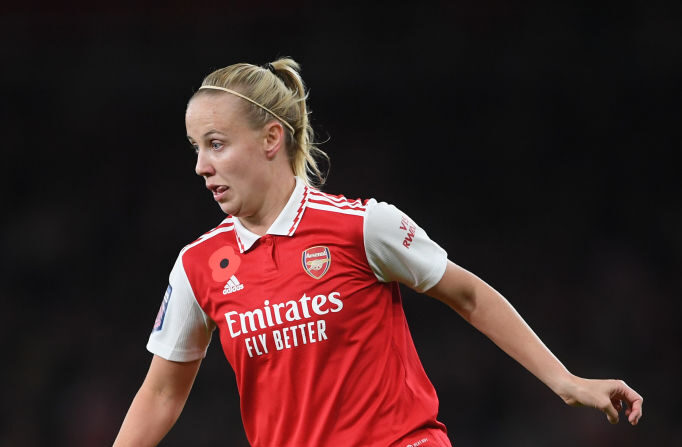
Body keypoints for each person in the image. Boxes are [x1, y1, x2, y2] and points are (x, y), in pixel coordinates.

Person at [113, 57, 643, 447]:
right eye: (196, 149)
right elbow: (162, 393)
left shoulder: (362, 227)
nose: (201, 166)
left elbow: (470, 296)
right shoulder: (198, 266)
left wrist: (566, 381)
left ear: (272, 138)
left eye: (217, 144)